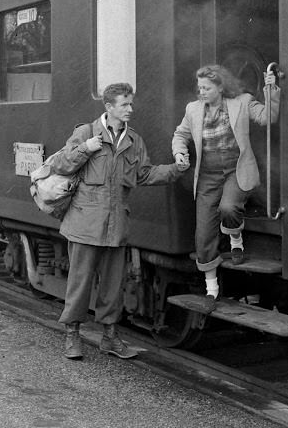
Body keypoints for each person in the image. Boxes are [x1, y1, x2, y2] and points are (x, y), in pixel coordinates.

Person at [51, 82, 187, 360]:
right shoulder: (86, 133)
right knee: (79, 284)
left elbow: (144, 175)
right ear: (109, 107)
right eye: (124, 104)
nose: (130, 109)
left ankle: (110, 338)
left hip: (116, 227)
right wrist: (85, 149)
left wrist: (176, 169)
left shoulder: (134, 141)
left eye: (130, 104)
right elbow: (61, 165)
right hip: (84, 225)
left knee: (113, 287)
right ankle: (72, 336)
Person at [172, 65, 280, 313]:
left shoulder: (242, 103)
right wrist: (180, 152)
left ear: (220, 87)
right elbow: (180, 135)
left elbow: (268, 117)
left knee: (229, 207)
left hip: (236, 170)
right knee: (203, 235)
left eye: (207, 88)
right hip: (207, 176)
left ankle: (235, 240)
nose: (202, 92)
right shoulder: (193, 110)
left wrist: (270, 88)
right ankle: (212, 290)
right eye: (199, 88)